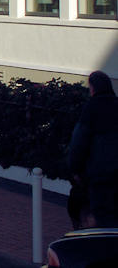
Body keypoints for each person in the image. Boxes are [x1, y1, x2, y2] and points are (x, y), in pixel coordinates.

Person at [68, 70, 118, 227]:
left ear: (92, 88)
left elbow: (79, 142)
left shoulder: (91, 109)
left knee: (103, 219)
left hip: (100, 176)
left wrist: (75, 169)